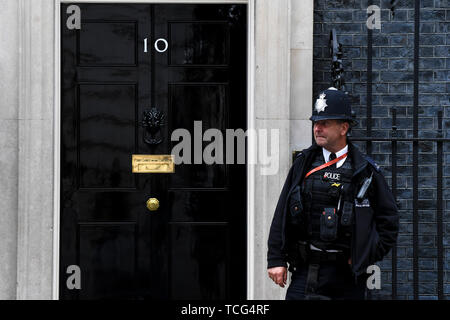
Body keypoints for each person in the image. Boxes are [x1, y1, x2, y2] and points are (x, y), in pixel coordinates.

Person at [267, 87, 399, 300]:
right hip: (306, 271)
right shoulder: (304, 164)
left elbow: (389, 221)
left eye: (324, 123)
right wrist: (276, 259)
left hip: (347, 277)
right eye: (315, 123)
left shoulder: (366, 171)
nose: (317, 128)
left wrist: (364, 255)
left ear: (343, 128)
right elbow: (282, 213)